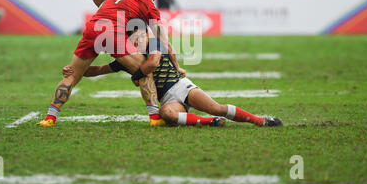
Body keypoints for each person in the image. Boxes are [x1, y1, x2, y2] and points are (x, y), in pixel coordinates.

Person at [38, 0, 181, 127]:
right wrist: (177, 67)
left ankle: (49, 118)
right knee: (145, 71)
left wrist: (105, 9)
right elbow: (165, 42)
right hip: (114, 32)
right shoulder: (150, 5)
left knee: (72, 75)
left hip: (94, 27)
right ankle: (154, 117)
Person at [63, 28, 283, 127]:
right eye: (133, 38)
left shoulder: (153, 44)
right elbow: (99, 70)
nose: (137, 40)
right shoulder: (125, 59)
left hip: (180, 86)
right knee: (167, 114)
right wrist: (76, 69)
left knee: (216, 107)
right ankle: (210, 123)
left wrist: (138, 75)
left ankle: (260, 120)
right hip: (168, 99)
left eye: (138, 36)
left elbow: (153, 63)